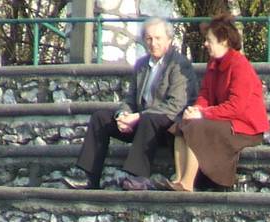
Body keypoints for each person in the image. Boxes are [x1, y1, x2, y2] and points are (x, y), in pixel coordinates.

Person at [72, 18, 199, 191]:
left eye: (158, 38)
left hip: (167, 125)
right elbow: (130, 99)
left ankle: (136, 176)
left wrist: (138, 117)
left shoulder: (179, 64)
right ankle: (89, 177)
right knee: (100, 118)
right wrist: (123, 115)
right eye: (149, 38)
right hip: (142, 122)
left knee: (149, 118)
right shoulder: (141, 65)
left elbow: (175, 105)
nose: (153, 43)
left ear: (169, 40)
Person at [167, 13, 269, 193]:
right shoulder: (213, 64)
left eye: (209, 40)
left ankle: (187, 183)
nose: (205, 44)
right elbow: (205, 94)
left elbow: (236, 107)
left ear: (224, 41)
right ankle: (179, 178)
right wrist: (196, 109)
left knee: (196, 127)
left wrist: (203, 114)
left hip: (245, 127)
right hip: (226, 119)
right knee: (182, 125)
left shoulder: (240, 65)